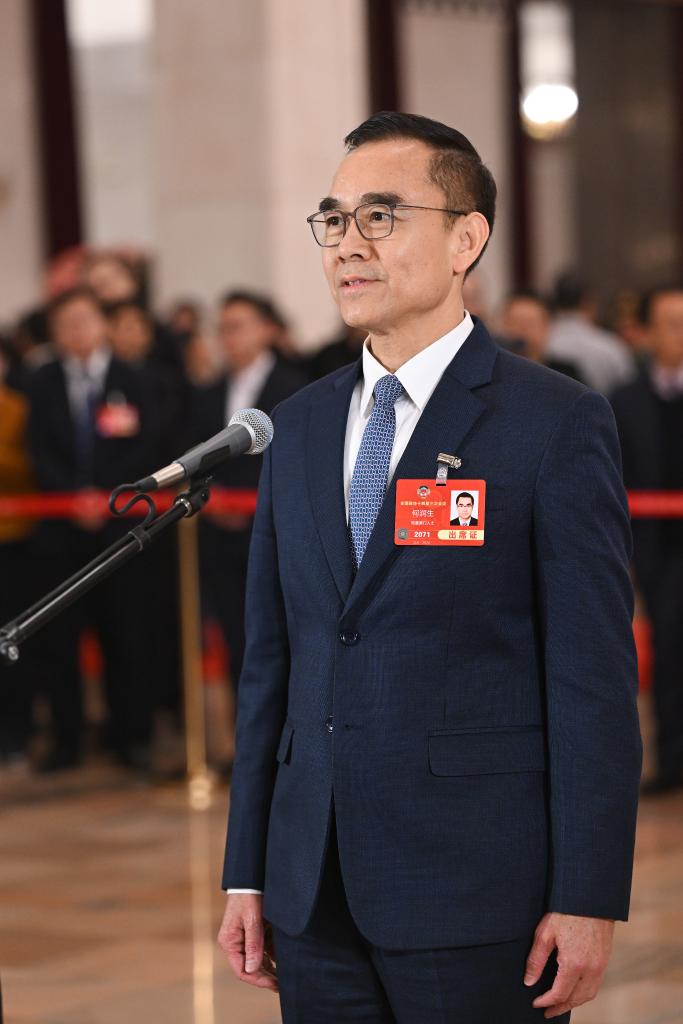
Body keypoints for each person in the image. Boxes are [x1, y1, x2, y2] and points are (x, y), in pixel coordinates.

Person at [218, 112, 642, 1022]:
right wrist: (246, 870)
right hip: (311, 890)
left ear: (465, 239)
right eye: (333, 220)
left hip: (478, 890)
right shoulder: (295, 427)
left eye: (380, 216)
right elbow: (271, 666)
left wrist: (588, 894)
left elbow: (592, 681)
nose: (348, 244)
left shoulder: (550, 421)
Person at [27, 287, 163, 772]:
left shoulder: (133, 377)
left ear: (103, 324)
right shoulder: (42, 381)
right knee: (60, 638)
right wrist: (74, 496)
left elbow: (146, 443)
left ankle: (132, 737)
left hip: (120, 529)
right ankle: (67, 739)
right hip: (61, 532)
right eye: (66, 323)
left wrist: (107, 496)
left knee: (125, 634)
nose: (77, 331)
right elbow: (37, 448)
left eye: (84, 320)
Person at [187, 290, 306, 700]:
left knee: (279, 634)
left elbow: (295, 458)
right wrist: (213, 498)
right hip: (219, 535)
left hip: (273, 532)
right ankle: (244, 727)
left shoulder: (295, 390)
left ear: (267, 330)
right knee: (232, 635)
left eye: (237, 327)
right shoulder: (207, 392)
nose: (228, 337)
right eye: (222, 329)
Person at [611, 285, 683, 795]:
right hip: (656, 546)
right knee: (667, 650)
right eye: (671, 323)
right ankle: (673, 761)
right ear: (647, 332)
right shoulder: (624, 399)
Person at [547, 272, 635, 395]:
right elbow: (629, 391)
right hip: (604, 405)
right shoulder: (610, 345)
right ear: (586, 301)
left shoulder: (542, 342)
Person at [501, 290, 583, 380]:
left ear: (547, 327)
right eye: (515, 322)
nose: (522, 330)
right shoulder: (495, 373)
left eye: (530, 323)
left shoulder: (566, 375)